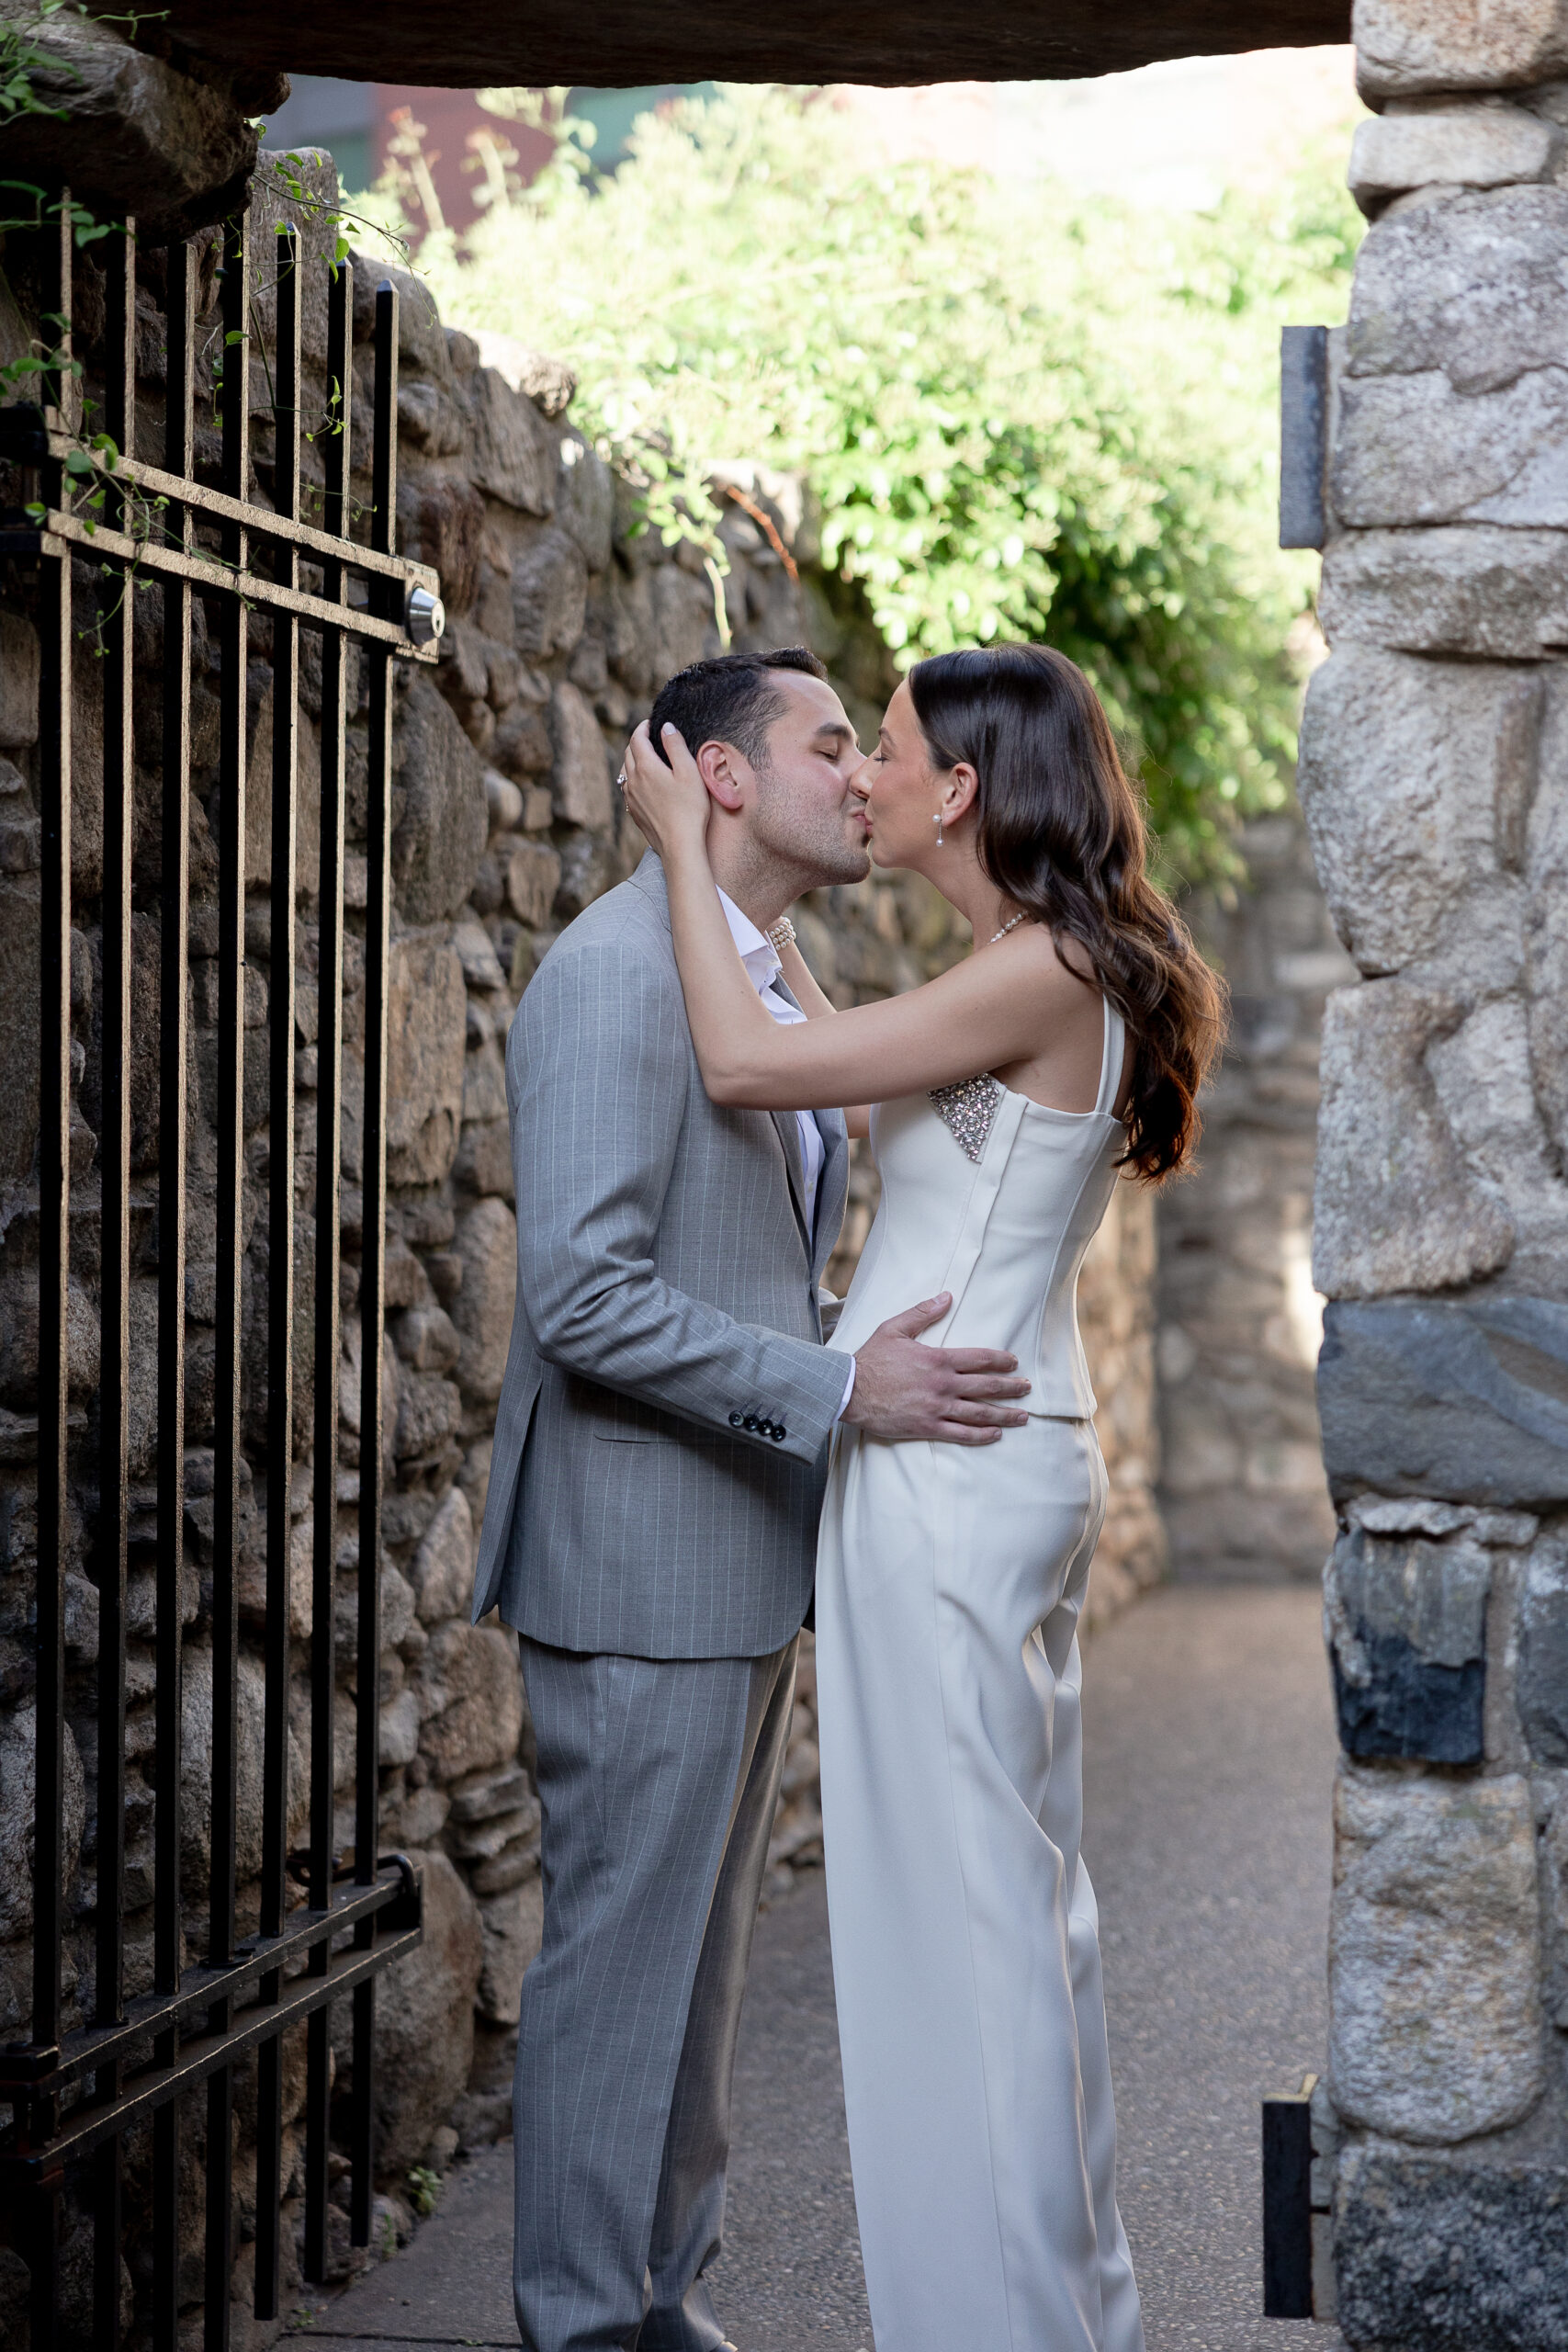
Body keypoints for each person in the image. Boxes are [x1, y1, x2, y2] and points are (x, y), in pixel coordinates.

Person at [621, 639, 1225, 2352]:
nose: (864, 777)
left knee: (952, 1929)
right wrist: (764, 913)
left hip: (950, 1479)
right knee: (1006, 1910)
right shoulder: (1034, 968)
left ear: (959, 788)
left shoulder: (1037, 971)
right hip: (982, 1465)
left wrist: (682, 843)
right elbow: (841, 1051)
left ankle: (1001, 2323)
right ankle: (1045, 2311)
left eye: (881, 750)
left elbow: (747, 1067)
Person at [471, 645, 1036, 2352]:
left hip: (742, 1557)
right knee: (614, 1979)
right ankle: (577, 2325)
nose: (859, 774)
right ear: (722, 777)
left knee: (698, 1988)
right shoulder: (618, 977)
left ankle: (664, 2296)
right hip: (636, 1561)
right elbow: (577, 1295)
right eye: (823, 742)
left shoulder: (765, 971)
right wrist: (832, 1390)